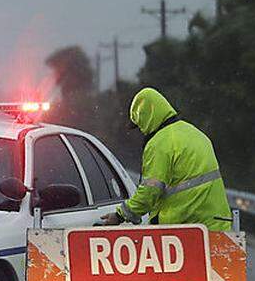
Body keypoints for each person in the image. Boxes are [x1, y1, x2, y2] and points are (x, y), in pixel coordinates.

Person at [98, 87, 232, 231]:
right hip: (217, 226)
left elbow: (149, 193)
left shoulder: (159, 144)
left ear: (145, 117)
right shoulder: (196, 134)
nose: (142, 131)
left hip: (183, 229)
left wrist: (120, 216)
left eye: (139, 125)